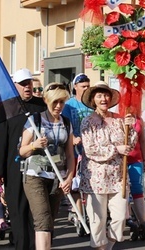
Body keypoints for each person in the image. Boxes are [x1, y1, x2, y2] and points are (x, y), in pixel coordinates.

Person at [0, 68, 46, 250]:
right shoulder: (6, 107)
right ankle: (21, 244)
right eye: (23, 84)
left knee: (36, 208)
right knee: (17, 206)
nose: (27, 87)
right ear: (14, 86)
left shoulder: (41, 105)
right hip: (13, 165)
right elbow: (1, 139)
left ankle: (35, 245)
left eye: (29, 83)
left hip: (37, 164)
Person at [19, 82, 74, 249]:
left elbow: (70, 154)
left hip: (58, 177)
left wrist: (69, 178)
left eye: (62, 102)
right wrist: (34, 145)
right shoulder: (34, 120)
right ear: (46, 101)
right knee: (42, 219)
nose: (58, 106)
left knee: (50, 220)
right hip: (35, 175)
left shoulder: (66, 123)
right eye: (55, 102)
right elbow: (21, 151)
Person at [80, 81, 130, 250]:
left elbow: (129, 143)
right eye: (100, 95)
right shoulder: (88, 122)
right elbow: (90, 149)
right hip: (96, 179)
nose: (104, 99)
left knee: (120, 216)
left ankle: (108, 245)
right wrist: (116, 149)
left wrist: (131, 126)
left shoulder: (119, 120)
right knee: (97, 220)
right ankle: (100, 247)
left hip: (118, 177)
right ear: (93, 99)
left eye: (106, 95)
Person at [62, 73, 92, 215]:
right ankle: (77, 210)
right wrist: (73, 138)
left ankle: (89, 210)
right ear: (75, 87)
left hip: (90, 149)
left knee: (88, 180)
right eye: (83, 86)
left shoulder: (92, 104)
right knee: (73, 181)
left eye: (88, 86)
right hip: (74, 149)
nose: (86, 89)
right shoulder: (69, 105)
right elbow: (65, 124)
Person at [125, 109, 145, 240]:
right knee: (125, 190)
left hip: (136, 160)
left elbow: (143, 141)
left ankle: (142, 221)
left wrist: (144, 160)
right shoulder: (118, 119)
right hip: (122, 161)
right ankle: (129, 221)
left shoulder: (139, 120)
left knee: (137, 189)